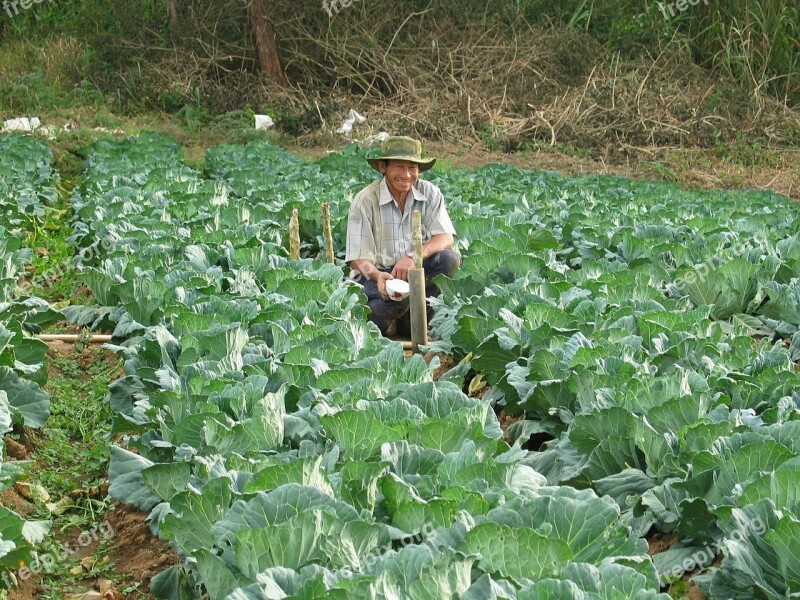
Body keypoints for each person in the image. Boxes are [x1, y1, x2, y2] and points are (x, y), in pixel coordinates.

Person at [346, 135, 460, 336]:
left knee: (449, 259)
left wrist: (413, 257)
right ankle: (384, 321)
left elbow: (445, 237)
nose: (406, 174)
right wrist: (378, 276)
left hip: (415, 273)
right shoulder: (365, 200)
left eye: (412, 168)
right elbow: (357, 259)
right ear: (383, 167)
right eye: (399, 167)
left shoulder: (430, 193)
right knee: (393, 300)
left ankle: (416, 322)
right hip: (374, 277)